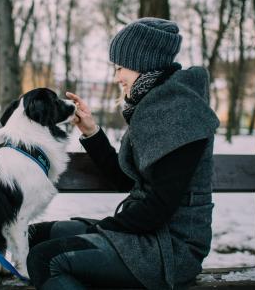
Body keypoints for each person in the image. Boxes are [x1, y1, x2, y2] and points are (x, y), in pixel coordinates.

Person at [26, 17, 220, 290]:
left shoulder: (180, 112)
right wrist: (91, 132)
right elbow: (128, 181)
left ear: (143, 63)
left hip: (170, 248)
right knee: (34, 236)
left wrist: (101, 230)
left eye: (120, 68)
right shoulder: (158, 105)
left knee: (45, 259)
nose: (117, 77)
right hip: (147, 233)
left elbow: (159, 207)